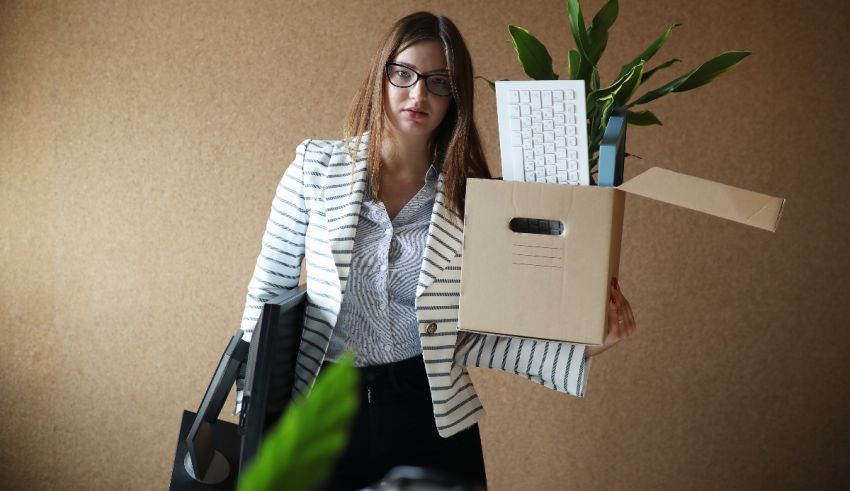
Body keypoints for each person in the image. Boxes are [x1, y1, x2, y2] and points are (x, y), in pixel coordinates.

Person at [237, 11, 637, 490]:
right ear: (381, 76)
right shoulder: (315, 167)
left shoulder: (475, 199)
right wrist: (251, 404)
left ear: (456, 96)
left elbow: (479, 332)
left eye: (439, 81)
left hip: (429, 411)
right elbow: (269, 289)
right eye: (403, 74)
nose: (418, 94)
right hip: (323, 407)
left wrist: (586, 344)